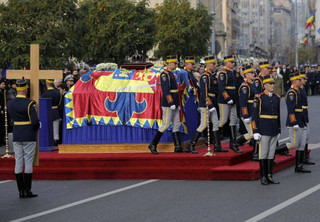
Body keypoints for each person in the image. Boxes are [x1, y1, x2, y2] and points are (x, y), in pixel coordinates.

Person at [185, 56, 228, 154]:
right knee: (203, 124)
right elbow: (204, 93)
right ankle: (191, 145)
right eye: (213, 64)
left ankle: (217, 146)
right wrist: (210, 104)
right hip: (206, 103)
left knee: (215, 123)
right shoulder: (205, 76)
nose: (214, 66)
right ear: (208, 65)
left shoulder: (210, 75)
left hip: (211, 101)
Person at [7, 80, 40, 198]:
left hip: (17, 134)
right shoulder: (30, 104)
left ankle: (21, 191)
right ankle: (28, 190)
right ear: (25, 89)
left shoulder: (10, 103)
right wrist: (36, 128)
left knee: (18, 162)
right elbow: (35, 122)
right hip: (28, 135)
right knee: (28, 162)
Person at [276, 73, 311, 173]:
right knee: (294, 144)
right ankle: (275, 151)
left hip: (301, 120)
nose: (301, 81)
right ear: (295, 81)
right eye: (299, 80)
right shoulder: (292, 93)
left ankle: (299, 166)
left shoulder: (297, 91)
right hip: (295, 121)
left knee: (302, 143)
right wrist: (293, 121)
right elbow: (291, 110)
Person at [148, 55, 183, 154]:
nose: (176, 65)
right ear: (169, 64)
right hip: (168, 103)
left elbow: (175, 90)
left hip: (174, 103)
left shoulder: (172, 74)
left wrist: (177, 103)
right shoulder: (165, 75)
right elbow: (166, 90)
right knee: (166, 124)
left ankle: (178, 146)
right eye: (174, 63)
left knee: (176, 123)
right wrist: (171, 102)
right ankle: (153, 144)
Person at [251, 75, 281, 185]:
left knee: (271, 154)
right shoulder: (259, 98)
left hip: (273, 129)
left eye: (273, 83)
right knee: (263, 154)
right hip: (263, 129)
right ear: (265, 86)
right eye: (270, 84)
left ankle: (269, 175)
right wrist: (255, 131)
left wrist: (279, 130)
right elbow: (254, 116)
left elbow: (278, 115)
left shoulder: (276, 97)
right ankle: (263, 176)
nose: (273, 85)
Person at [218, 56, 242, 153]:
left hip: (232, 100)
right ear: (226, 62)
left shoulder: (231, 72)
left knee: (234, 120)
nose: (233, 64)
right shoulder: (223, 73)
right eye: (231, 62)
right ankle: (216, 142)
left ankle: (233, 143)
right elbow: (221, 87)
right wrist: (227, 98)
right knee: (223, 120)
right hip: (225, 100)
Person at [236, 65, 256, 149]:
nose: (253, 74)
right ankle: (237, 141)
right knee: (251, 134)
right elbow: (243, 102)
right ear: (246, 75)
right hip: (247, 113)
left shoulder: (251, 84)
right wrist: (245, 115)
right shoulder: (245, 86)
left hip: (253, 112)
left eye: (253, 73)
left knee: (255, 132)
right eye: (251, 73)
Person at [299, 72, 315, 165]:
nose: (305, 81)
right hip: (301, 115)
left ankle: (304, 156)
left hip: (305, 114)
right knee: (301, 138)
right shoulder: (298, 90)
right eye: (303, 79)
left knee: (306, 136)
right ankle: (302, 158)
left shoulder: (302, 89)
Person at [42, 79, 62, 146]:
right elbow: (59, 103)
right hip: (55, 111)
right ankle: (55, 142)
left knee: (47, 129)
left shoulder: (45, 93)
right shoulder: (57, 92)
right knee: (55, 129)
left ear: (47, 84)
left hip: (47, 112)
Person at [0, 79, 6, 147]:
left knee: (3, 127)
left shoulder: (3, 91)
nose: (4, 85)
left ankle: (2, 140)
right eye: (2, 84)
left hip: (3, 111)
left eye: (4, 84)